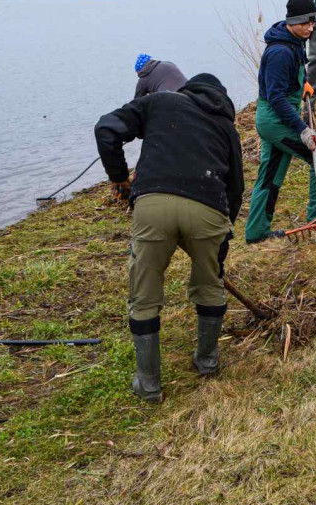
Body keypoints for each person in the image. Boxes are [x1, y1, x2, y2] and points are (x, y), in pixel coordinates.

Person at [94, 73, 244, 402]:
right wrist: (221, 240)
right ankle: (207, 361)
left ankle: (148, 385)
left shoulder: (160, 101)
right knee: (209, 286)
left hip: (153, 206)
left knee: (145, 296)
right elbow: (235, 190)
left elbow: (106, 130)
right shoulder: (226, 128)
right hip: (209, 210)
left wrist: (119, 179)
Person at [245, 0, 316, 244]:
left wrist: (304, 84)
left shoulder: (294, 41)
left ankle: (256, 233)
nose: (310, 27)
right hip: (276, 120)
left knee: (271, 175)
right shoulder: (280, 52)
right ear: (291, 21)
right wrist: (303, 130)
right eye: (305, 23)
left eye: (313, 22)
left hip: (274, 118)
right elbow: (276, 98)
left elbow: (286, 82)